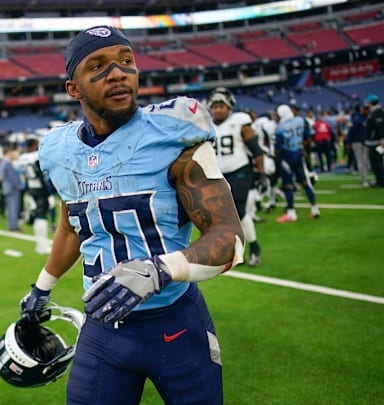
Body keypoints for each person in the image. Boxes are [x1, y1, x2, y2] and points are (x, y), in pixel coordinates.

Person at [18, 26, 244, 404]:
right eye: (99, 66)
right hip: (103, 329)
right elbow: (72, 228)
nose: (118, 73)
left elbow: (230, 240)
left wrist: (160, 269)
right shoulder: (59, 149)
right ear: (74, 88)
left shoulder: (173, 132)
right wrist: (41, 288)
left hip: (174, 321)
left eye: (126, 61)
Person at [208, 88, 266, 267]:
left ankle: (255, 248)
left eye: (221, 106)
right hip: (218, 175)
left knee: (238, 212)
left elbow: (256, 150)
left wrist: (261, 173)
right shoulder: (206, 125)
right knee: (224, 217)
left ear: (229, 107)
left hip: (239, 170)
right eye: (214, 106)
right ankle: (238, 253)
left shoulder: (240, 121)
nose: (217, 110)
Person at [274, 105, 320, 222]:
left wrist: (279, 158)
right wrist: (301, 148)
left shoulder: (280, 127)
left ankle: (291, 212)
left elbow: (278, 148)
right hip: (298, 154)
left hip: (287, 157)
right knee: (305, 182)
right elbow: (306, 137)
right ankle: (314, 209)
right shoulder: (300, 120)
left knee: (288, 185)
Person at [18, 137, 51, 254]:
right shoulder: (37, 156)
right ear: (34, 146)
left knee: (38, 215)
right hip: (40, 188)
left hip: (31, 188)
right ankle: (42, 246)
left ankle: (40, 244)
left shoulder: (22, 158)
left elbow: (22, 174)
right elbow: (44, 172)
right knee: (42, 216)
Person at [0, 145, 24, 232]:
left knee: (11, 208)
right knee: (13, 208)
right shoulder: (7, 163)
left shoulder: (3, 162)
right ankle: (14, 227)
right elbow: (13, 177)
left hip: (8, 188)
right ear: (8, 153)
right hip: (12, 189)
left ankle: (13, 226)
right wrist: (20, 185)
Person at [364, 94, 384, 187]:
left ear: (370, 103)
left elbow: (380, 127)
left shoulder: (377, 112)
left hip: (375, 141)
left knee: (376, 162)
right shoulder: (375, 111)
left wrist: (382, 139)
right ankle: (379, 179)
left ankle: (380, 181)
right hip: (374, 141)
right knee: (376, 162)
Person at [348, 104, 371, 187]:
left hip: (365, 142)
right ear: (362, 110)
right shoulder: (357, 120)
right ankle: (364, 180)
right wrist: (349, 142)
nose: (366, 111)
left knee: (365, 162)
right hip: (357, 142)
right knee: (361, 162)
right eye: (365, 109)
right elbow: (351, 132)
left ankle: (365, 178)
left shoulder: (367, 118)